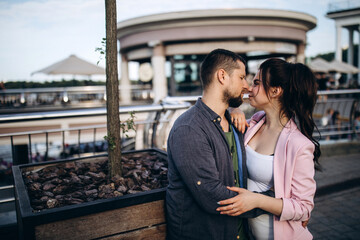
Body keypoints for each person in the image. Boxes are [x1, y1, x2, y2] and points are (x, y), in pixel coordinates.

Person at [166, 49, 270, 240]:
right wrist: (272, 205)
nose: (247, 86)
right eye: (241, 77)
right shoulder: (189, 128)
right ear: (222, 76)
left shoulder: (234, 123)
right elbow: (212, 196)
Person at [217, 58, 321, 240]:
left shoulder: (299, 144)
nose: (249, 88)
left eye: (256, 83)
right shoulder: (255, 123)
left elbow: (304, 207)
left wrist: (255, 200)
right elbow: (224, 128)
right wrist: (233, 112)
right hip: (248, 233)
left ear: (275, 91)